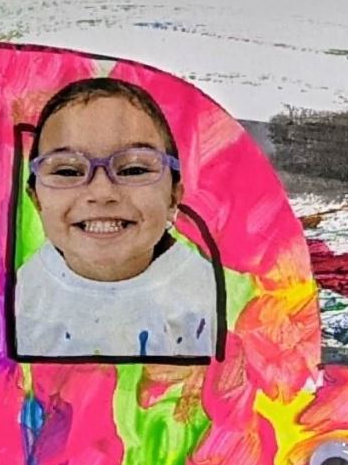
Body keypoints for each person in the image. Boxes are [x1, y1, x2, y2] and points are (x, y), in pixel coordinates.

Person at [13, 77, 219, 359]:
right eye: (67, 171)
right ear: (36, 199)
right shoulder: (17, 297)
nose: (102, 193)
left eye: (134, 169)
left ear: (173, 197)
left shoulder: (209, 295)